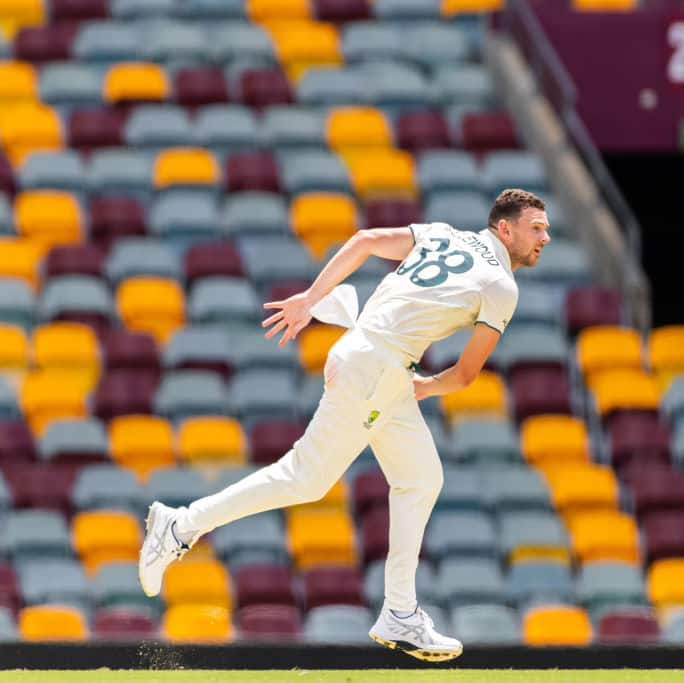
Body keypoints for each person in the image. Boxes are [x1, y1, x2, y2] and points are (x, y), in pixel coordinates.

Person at [138, 189, 551, 661]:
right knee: (304, 477)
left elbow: (365, 240)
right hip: (379, 369)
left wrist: (310, 300)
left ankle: (400, 611)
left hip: (372, 359)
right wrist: (424, 386)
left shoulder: (442, 234)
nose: (545, 236)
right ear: (505, 229)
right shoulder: (502, 285)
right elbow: (465, 375)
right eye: (536, 227)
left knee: (421, 478)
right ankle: (180, 525)